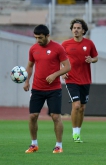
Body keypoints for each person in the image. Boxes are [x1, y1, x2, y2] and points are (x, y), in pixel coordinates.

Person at [23, 24, 71, 154]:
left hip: (54, 89)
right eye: (36, 38)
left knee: (56, 117)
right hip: (37, 88)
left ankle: (58, 145)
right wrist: (27, 81)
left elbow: (67, 67)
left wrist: (55, 74)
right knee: (33, 116)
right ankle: (34, 144)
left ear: (47, 36)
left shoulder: (58, 48)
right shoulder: (33, 49)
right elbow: (30, 66)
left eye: (40, 37)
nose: (38, 40)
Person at [61, 18, 98, 143]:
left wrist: (91, 60)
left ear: (83, 31)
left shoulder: (89, 44)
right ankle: (74, 133)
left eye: (78, 28)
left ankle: (78, 131)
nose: (75, 30)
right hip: (71, 79)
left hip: (85, 79)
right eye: (74, 28)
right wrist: (62, 71)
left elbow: (96, 57)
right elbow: (58, 59)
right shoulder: (65, 44)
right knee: (76, 105)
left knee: (82, 108)